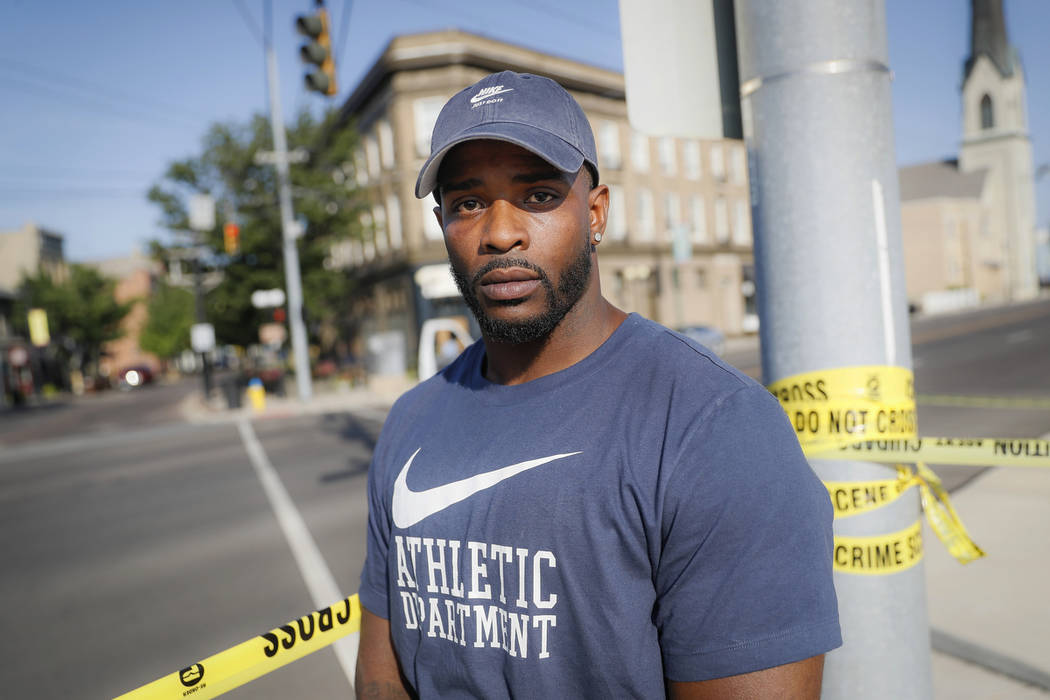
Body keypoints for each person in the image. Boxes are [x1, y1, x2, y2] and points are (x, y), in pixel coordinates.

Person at [356, 70, 841, 699]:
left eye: (536, 195)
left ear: (596, 212)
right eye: (469, 202)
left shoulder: (716, 428)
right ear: (443, 220)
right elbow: (378, 673)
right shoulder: (410, 422)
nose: (501, 232)